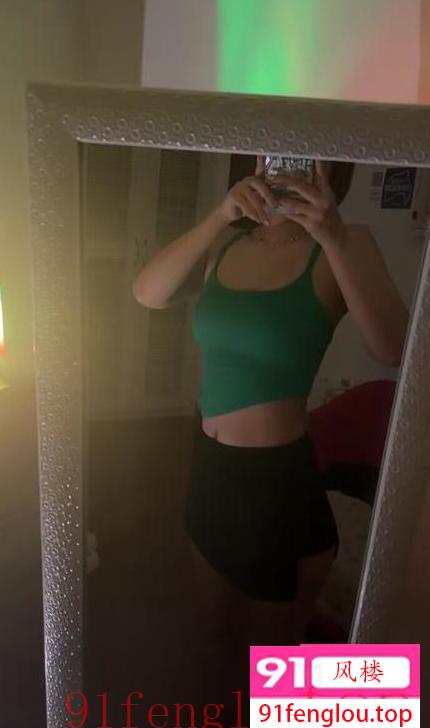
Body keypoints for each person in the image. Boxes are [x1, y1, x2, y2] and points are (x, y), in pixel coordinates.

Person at [132, 155, 409, 646]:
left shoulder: (345, 242)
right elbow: (147, 293)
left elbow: (394, 349)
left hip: (274, 481)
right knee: (212, 637)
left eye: (303, 152)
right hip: (209, 463)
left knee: (269, 667)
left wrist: (333, 236)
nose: (281, 162)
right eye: (272, 149)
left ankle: (349, 686)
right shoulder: (225, 242)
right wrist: (220, 214)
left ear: (331, 166)